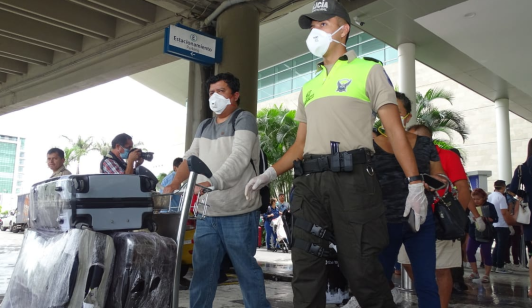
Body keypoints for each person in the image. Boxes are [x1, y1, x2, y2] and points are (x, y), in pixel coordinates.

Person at [245, 1, 428, 306]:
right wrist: (268, 174)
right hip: (308, 186)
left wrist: (415, 183)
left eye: (322, 24)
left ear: (343, 29)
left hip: (353, 181)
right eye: (313, 26)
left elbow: (395, 131)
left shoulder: (369, 70)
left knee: (362, 269)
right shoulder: (309, 87)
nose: (315, 31)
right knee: (305, 269)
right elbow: (299, 145)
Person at [163, 72, 270, 308]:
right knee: (202, 273)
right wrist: (173, 183)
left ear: (235, 95)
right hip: (207, 214)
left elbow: (239, 157)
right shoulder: (204, 126)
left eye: (221, 91)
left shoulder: (244, 119)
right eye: (211, 92)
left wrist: (211, 182)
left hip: (239, 211)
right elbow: (190, 158)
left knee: (246, 270)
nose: (214, 97)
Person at [370, 91, 443, 308]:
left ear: (407, 116)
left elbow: (441, 177)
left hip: (419, 220)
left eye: (395, 110)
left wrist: (435, 182)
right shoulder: (367, 143)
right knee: (377, 281)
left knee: (427, 283)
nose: (388, 115)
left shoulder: (424, 144)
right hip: (382, 222)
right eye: (383, 109)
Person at [401, 124, 481, 308]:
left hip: (440, 220)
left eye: (412, 138)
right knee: (406, 260)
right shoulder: (404, 155)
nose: (408, 141)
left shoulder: (446, 156)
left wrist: (454, 218)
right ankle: (429, 297)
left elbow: (463, 188)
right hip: (411, 219)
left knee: (442, 268)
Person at [508, 138, 532, 296]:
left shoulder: (522, 169)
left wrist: (523, 196)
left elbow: (511, 189)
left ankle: (531, 288)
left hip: (530, 211)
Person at [467, 188, 498, 283]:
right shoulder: (470, 206)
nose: (476, 201)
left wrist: (485, 219)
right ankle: (475, 272)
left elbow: (495, 219)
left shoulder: (490, 206)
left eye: (478, 199)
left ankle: (486, 274)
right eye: (474, 199)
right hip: (473, 232)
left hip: (486, 233)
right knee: (469, 251)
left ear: (484, 198)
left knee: (486, 253)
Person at [489, 180, 516, 274]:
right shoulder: (501, 197)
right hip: (502, 224)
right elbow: (504, 212)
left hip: (493, 224)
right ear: (503, 187)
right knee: (502, 245)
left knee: (497, 245)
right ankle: (500, 265)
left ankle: (494, 264)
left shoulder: (490, 196)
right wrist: (510, 224)